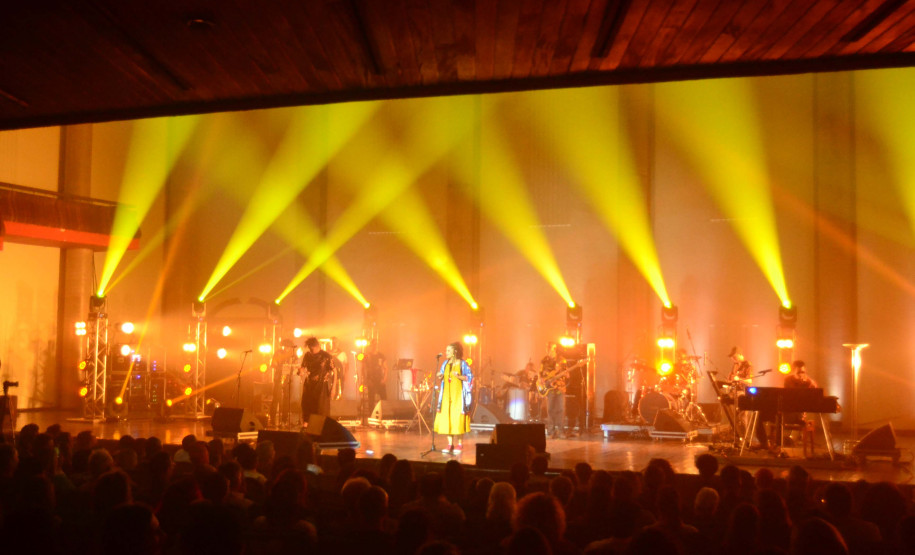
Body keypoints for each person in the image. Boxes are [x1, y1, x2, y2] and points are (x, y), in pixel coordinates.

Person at [433, 342, 472, 453]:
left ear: (455, 351)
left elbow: (469, 377)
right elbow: (442, 376)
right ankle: (450, 444)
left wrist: (458, 376)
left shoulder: (462, 363)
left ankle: (459, 444)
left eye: (448, 351)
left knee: (457, 419)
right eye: (446, 351)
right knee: (447, 418)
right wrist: (440, 376)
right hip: (446, 395)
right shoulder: (445, 363)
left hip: (458, 396)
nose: (446, 353)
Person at [300, 337, 334, 423]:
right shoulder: (307, 355)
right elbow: (303, 367)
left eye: (312, 348)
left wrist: (333, 388)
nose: (311, 350)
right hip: (309, 385)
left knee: (320, 409)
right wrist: (301, 371)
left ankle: (321, 431)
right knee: (307, 407)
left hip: (321, 386)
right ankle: (306, 429)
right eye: (309, 348)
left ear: (317, 346)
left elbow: (334, 371)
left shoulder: (326, 356)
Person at [539, 343, 567, 438]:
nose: (548, 350)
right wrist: (541, 379)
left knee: (561, 409)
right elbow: (540, 374)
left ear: (554, 349)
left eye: (550, 348)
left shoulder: (561, 360)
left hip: (560, 388)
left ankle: (560, 431)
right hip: (549, 389)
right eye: (547, 348)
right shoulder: (544, 361)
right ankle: (551, 431)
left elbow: (567, 374)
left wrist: (565, 374)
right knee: (550, 409)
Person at [269, 338, 298, 426]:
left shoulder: (293, 355)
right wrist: (281, 367)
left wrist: (293, 367)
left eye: (288, 347)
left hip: (288, 380)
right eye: (285, 347)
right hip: (278, 379)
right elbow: (273, 365)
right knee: (276, 399)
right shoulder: (278, 353)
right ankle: (272, 419)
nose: (286, 349)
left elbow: (296, 366)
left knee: (286, 400)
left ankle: (284, 420)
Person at [364, 339, 389, 410]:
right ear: (370, 346)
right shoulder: (367, 356)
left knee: (384, 398)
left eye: (375, 344)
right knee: (371, 399)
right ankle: (371, 414)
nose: (374, 346)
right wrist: (366, 380)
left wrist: (384, 378)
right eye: (373, 345)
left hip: (380, 379)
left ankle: (385, 413)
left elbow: (386, 368)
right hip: (371, 380)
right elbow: (364, 369)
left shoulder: (381, 356)